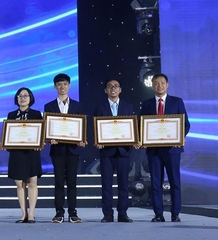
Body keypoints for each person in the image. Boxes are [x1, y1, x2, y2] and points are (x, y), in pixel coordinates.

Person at [140, 73, 190, 223]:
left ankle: (175, 213)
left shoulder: (177, 102)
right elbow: (141, 125)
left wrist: (180, 137)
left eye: (162, 83)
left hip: (172, 149)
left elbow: (185, 124)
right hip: (154, 150)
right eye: (156, 83)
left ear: (167, 85)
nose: (159, 86)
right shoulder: (146, 104)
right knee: (156, 182)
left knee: (175, 181)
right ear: (152, 86)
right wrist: (143, 139)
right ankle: (158, 214)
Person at [43, 73, 86, 223]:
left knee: (72, 182)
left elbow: (82, 127)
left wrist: (82, 139)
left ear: (69, 86)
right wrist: (49, 139)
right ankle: (59, 212)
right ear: (55, 86)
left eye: (65, 84)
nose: (62, 87)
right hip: (57, 150)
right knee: (59, 182)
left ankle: (73, 212)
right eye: (59, 84)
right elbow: (47, 128)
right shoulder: (49, 106)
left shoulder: (78, 105)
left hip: (73, 150)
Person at [93, 79, 136, 223]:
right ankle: (107, 214)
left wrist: (135, 139)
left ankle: (123, 213)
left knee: (123, 184)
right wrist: (97, 141)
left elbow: (133, 126)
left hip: (123, 151)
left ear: (120, 89)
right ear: (105, 90)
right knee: (106, 184)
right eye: (110, 86)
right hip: (106, 152)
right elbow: (95, 127)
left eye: (116, 86)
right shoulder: (100, 108)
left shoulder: (128, 107)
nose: (113, 89)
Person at [6, 87, 43, 223]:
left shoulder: (36, 114)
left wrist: (39, 143)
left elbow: (41, 133)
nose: (23, 98)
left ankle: (31, 213)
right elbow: (7, 134)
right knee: (19, 184)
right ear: (16, 98)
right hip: (17, 153)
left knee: (32, 182)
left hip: (31, 153)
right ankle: (23, 214)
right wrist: (6, 143)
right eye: (20, 96)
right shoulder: (11, 115)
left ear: (30, 98)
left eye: (25, 95)